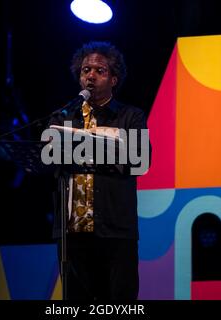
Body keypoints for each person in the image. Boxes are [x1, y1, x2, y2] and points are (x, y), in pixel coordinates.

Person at [48, 41, 150, 300]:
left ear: (114, 79)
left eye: (99, 70)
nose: (90, 75)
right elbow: (48, 159)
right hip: (72, 231)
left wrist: (80, 151)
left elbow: (140, 160)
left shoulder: (130, 117)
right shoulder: (62, 118)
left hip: (115, 230)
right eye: (85, 70)